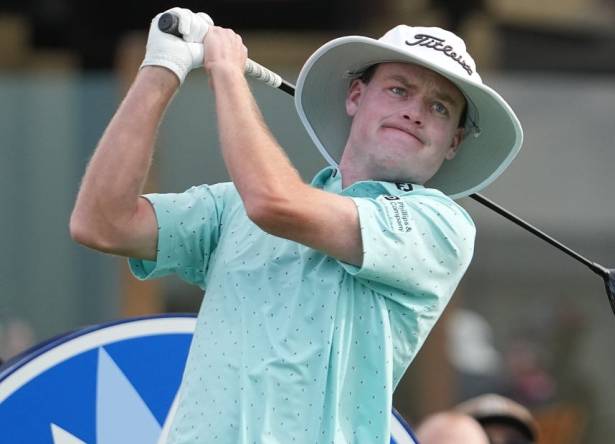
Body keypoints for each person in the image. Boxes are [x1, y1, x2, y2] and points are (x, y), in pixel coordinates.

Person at [69, 7, 522, 443]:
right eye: (399, 90)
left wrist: (227, 73)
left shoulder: (440, 226)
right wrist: (161, 68)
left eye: (440, 108)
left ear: (453, 143)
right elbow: (102, 223)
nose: (415, 112)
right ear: (356, 96)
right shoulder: (232, 207)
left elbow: (274, 203)